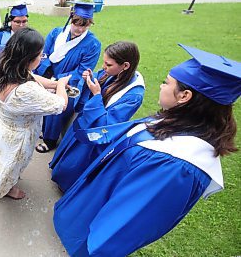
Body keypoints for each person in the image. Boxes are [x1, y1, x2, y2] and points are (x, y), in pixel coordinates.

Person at [53, 44, 240, 257]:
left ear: (185, 96)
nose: (160, 87)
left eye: (166, 83)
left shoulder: (178, 167)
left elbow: (126, 222)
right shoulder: (171, 121)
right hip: (100, 192)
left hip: (98, 218)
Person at [0, 27, 71, 214]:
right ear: (29, 59)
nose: (42, 58)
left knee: (0, 158)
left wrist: (52, 84)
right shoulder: (26, 91)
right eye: (40, 55)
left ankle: (4, 180)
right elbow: (60, 104)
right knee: (12, 164)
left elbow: (31, 77)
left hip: (2, 126)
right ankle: (7, 189)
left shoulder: (5, 66)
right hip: (17, 136)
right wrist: (60, 84)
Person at [50, 41, 145, 192]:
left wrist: (96, 95)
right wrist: (89, 78)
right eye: (104, 62)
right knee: (68, 154)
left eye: (108, 65)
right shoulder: (114, 73)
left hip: (95, 134)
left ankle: (67, 186)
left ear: (125, 66)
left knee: (76, 162)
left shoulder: (133, 95)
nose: (103, 68)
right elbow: (98, 80)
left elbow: (108, 123)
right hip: (86, 122)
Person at [35, 2, 101, 153]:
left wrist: (60, 81)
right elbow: (44, 55)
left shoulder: (93, 44)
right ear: (71, 19)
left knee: (59, 107)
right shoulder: (56, 33)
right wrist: (48, 75)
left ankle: (50, 140)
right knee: (43, 101)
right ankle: (44, 130)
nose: (80, 29)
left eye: (85, 25)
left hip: (70, 82)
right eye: (77, 24)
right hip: (49, 76)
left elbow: (82, 70)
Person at [0, 3, 29, 73]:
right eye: (18, 22)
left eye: (24, 21)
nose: (21, 25)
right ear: (10, 21)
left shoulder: (31, 37)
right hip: (3, 76)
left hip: (25, 76)